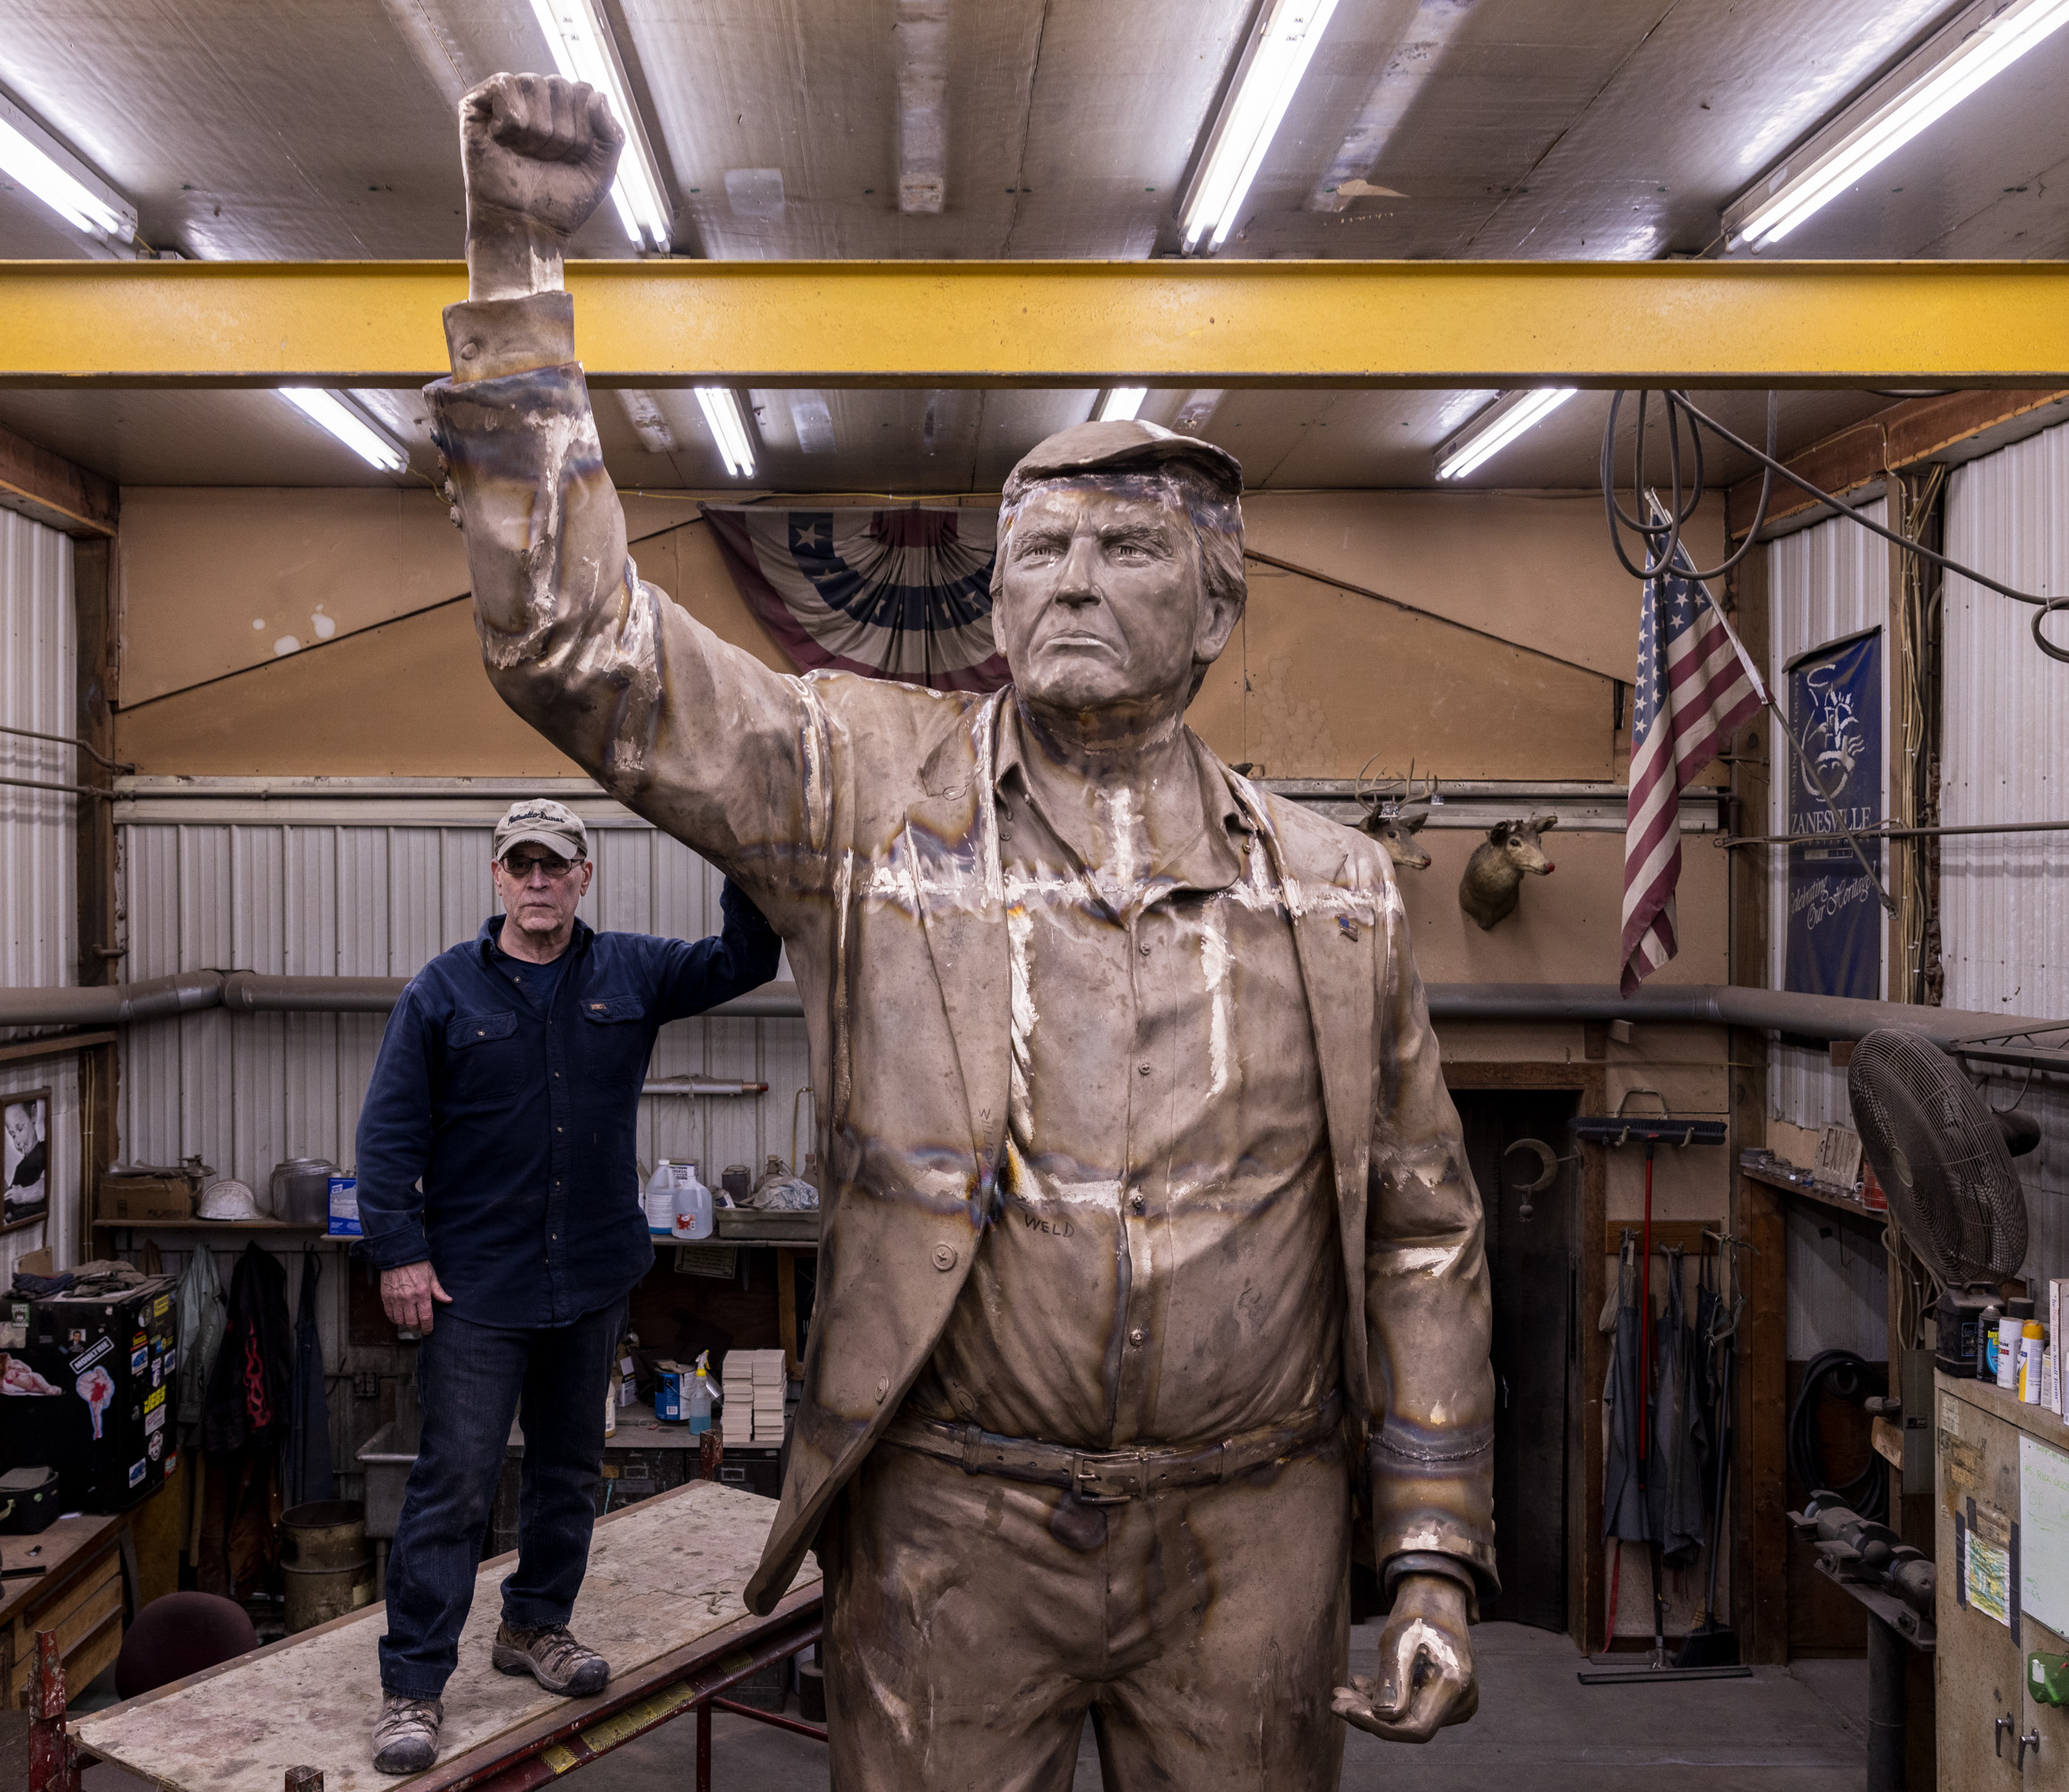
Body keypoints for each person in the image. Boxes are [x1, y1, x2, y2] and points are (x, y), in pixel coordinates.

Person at [429, 77, 1496, 1791]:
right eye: (1038, 548)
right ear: (992, 599)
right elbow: (576, 645)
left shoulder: (1338, 891)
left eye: (1129, 547)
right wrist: (518, 256)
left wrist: (1431, 1540)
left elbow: (1425, 1232)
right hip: (951, 1530)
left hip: (1255, 1539)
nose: (1070, 578)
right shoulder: (863, 795)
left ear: (1219, 605)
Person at [356, 797, 779, 1774]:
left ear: (584, 876)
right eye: (522, 865)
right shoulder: (443, 991)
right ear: (497, 878)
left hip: (589, 1276)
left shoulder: (629, 970)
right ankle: (412, 1682)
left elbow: (744, 962)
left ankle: (533, 1625)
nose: (539, 880)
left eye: (557, 865)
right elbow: (388, 1135)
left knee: (564, 1473)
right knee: (454, 1484)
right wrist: (399, 1251)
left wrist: (737, 849)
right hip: (478, 1287)